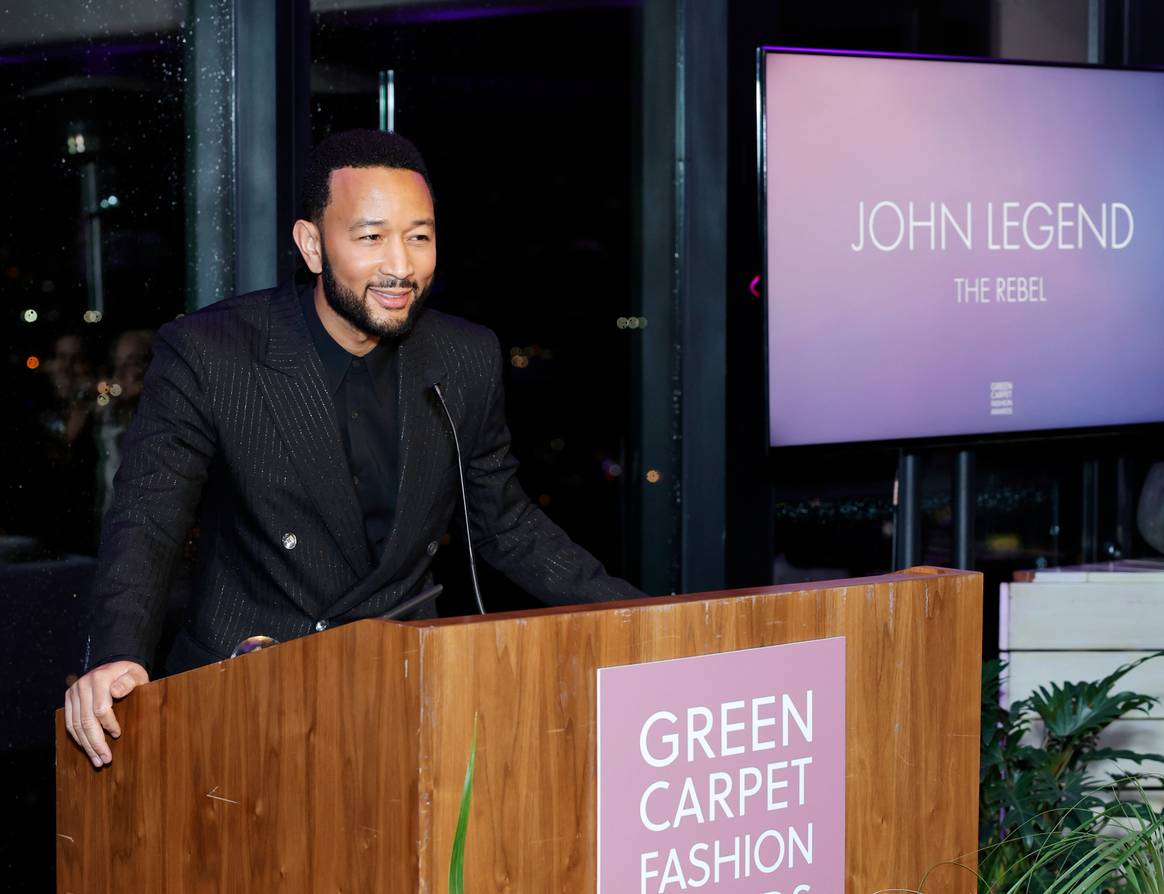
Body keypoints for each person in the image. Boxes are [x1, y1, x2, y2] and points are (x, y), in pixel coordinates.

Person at [64, 130, 643, 768]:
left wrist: (640, 621)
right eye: (370, 238)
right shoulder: (213, 353)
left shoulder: (465, 357)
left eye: (419, 236)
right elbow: (148, 518)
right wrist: (119, 652)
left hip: (405, 693)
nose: (401, 265)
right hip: (245, 703)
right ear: (312, 245)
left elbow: (504, 522)